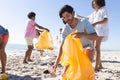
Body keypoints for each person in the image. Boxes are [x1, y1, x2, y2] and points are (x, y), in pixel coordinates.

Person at [52, 5, 98, 76]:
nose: (66, 19)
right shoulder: (66, 29)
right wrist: (56, 64)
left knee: (88, 51)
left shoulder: (84, 22)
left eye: (67, 15)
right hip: (74, 52)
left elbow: (95, 37)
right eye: (64, 17)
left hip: (87, 50)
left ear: (73, 13)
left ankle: (86, 70)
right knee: (64, 75)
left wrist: (83, 34)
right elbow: (62, 47)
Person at [78, 0, 109, 71]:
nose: (93, 4)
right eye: (93, 3)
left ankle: (96, 67)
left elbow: (105, 20)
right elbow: (88, 18)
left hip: (101, 30)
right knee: (94, 47)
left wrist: (95, 23)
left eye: (94, 3)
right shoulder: (95, 12)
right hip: (95, 31)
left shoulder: (104, 9)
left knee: (96, 47)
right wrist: (79, 16)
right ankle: (100, 65)